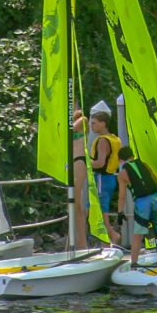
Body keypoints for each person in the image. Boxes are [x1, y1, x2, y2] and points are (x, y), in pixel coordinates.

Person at [113, 145, 157, 267]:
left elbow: (122, 196)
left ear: (120, 160)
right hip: (156, 198)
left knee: (138, 235)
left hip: (142, 203)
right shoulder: (144, 164)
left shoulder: (122, 174)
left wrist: (120, 212)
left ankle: (134, 265)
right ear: (132, 156)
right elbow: (155, 179)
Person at [88, 106, 122, 245]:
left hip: (102, 178)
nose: (92, 126)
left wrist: (85, 162)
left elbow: (100, 163)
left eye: (94, 123)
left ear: (103, 123)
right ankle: (105, 241)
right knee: (99, 210)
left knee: (102, 212)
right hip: (110, 178)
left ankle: (111, 236)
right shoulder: (113, 139)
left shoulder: (102, 141)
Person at [71, 107, 90, 250]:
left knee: (77, 204)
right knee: (73, 205)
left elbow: (69, 130)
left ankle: (82, 243)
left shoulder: (83, 120)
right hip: (71, 163)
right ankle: (78, 241)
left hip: (78, 161)